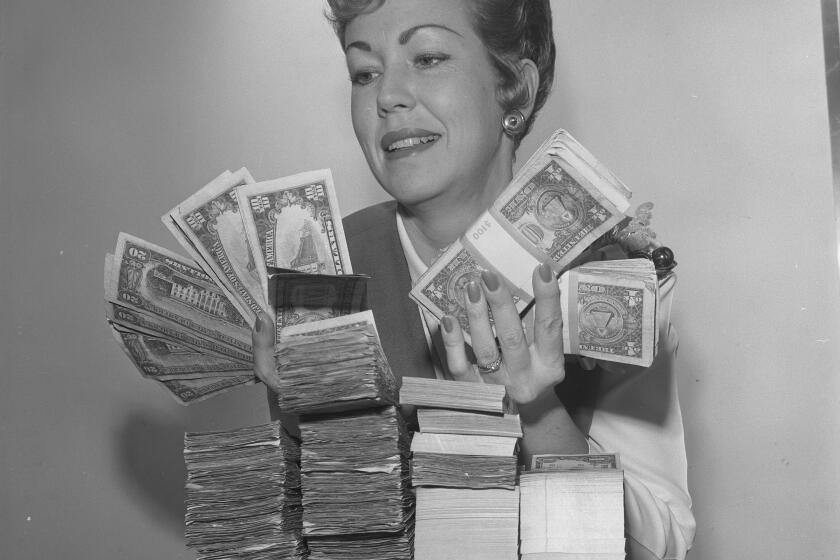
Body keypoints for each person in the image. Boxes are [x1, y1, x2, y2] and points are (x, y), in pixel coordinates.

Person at [252, 1, 696, 558]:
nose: (387, 95)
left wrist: (536, 413)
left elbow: (663, 542)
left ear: (515, 89)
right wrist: (298, 415)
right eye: (364, 72)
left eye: (428, 57)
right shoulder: (323, 271)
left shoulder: (610, 279)